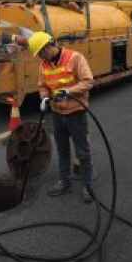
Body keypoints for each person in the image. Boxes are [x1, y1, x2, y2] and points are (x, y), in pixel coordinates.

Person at [28, 31, 94, 203]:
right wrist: (43, 98)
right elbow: (42, 85)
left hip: (76, 113)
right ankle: (65, 182)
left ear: (51, 45)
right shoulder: (44, 64)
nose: (42, 56)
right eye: (39, 54)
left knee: (83, 152)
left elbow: (88, 81)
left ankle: (87, 185)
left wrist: (69, 91)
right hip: (57, 114)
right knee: (62, 150)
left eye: (43, 52)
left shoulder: (75, 58)